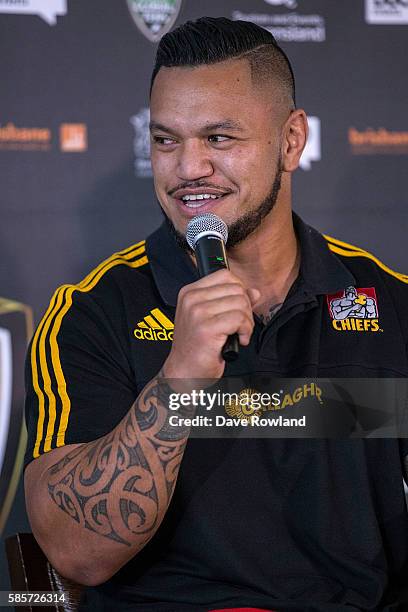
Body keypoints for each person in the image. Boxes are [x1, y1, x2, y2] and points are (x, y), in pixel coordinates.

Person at [23, 17, 408, 612]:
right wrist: (179, 383)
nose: (188, 168)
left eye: (219, 139)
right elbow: (73, 553)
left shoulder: (391, 304)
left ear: (290, 141)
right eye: (166, 140)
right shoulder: (90, 312)